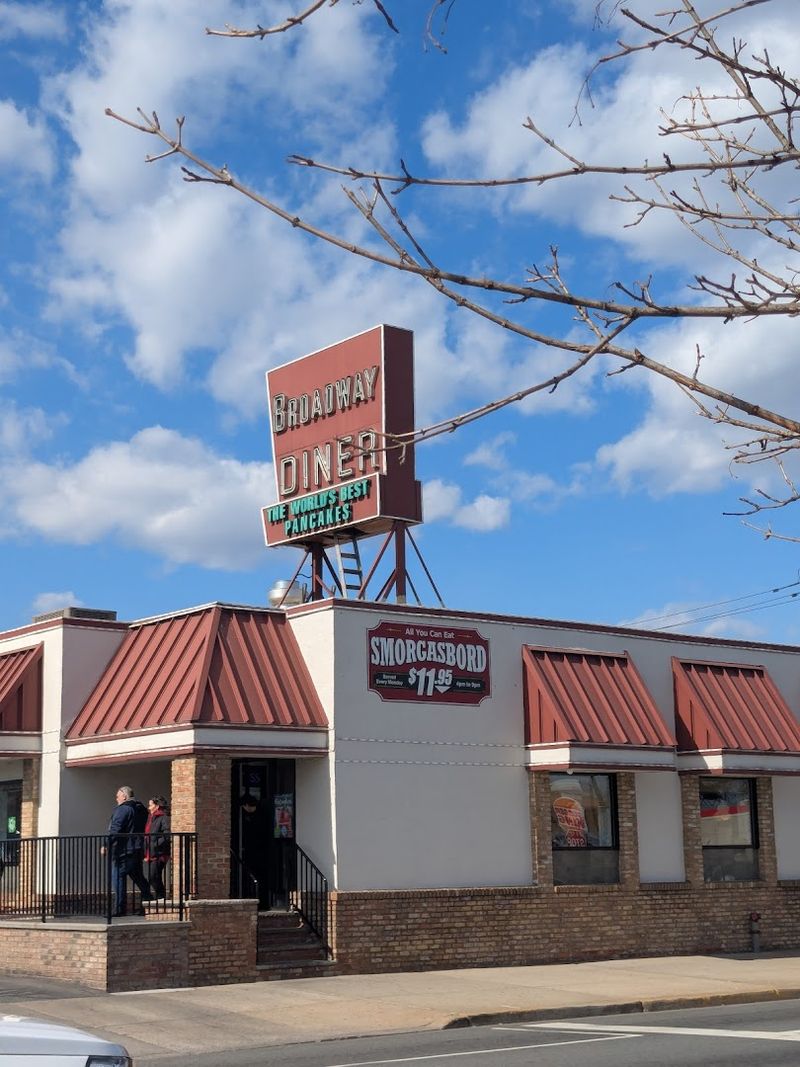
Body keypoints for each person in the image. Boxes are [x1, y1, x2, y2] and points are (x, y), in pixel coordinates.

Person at [106, 785, 150, 916]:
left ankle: (119, 909)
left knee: (118, 878)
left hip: (124, 850)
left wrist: (107, 843)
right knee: (139, 878)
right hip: (137, 848)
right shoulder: (141, 809)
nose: (116, 798)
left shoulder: (123, 809)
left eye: (118, 796)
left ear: (124, 796)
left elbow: (116, 828)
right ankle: (148, 903)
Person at [239, 794, 269, 908]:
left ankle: (260, 903)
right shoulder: (260, 815)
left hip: (257, 853)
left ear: (246, 805)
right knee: (254, 878)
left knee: (257, 878)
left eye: (243, 807)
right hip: (253, 852)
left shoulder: (259, 817)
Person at [144, 796, 170, 901]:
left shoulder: (162, 817)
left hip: (159, 853)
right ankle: (161, 897)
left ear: (157, 806)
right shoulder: (151, 817)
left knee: (153, 876)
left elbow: (166, 833)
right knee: (154, 876)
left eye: (150, 805)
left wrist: (155, 844)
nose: (149, 807)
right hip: (151, 852)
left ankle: (161, 897)